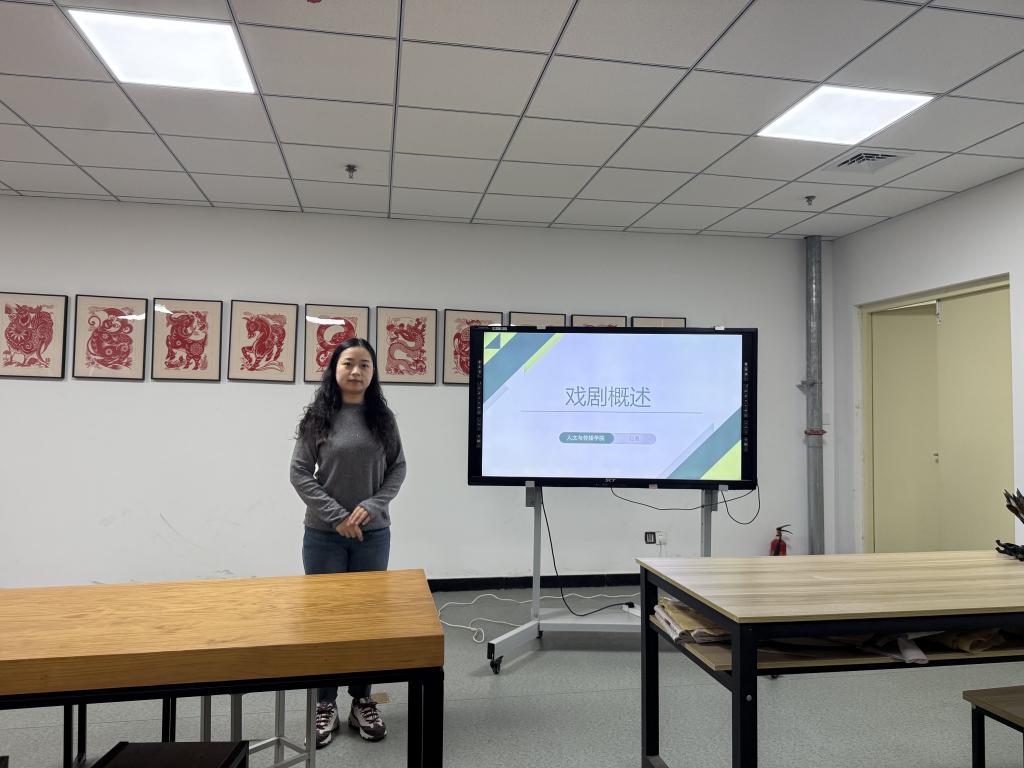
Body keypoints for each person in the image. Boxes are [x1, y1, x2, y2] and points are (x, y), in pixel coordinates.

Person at [290, 337, 407, 749]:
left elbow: (397, 469)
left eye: (365, 365)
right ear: (335, 369)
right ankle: (325, 704)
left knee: (366, 621)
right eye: (348, 364)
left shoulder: (382, 419)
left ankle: (362, 700)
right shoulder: (318, 418)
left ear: (373, 373)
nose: (356, 371)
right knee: (326, 621)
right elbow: (299, 473)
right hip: (324, 536)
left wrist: (371, 507)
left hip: (373, 535)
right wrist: (338, 516)